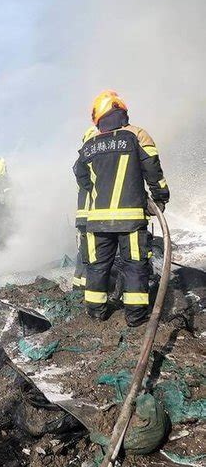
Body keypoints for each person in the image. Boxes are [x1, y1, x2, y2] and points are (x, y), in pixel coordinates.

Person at [74, 90, 169, 326]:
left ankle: (96, 312)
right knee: (135, 265)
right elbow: (153, 170)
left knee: (97, 267)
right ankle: (135, 317)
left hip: (98, 221)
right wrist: (160, 197)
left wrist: (98, 192)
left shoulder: (89, 145)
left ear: (98, 117)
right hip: (131, 220)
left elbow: (80, 174)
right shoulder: (137, 135)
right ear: (121, 111)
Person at [73, 127, 97, 290]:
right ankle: (89, 291)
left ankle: (78, 288)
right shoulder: (94, 160)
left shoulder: (81, 163)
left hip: (82, 217)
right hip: (92, 216)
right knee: (93, 257)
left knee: (83, 253)